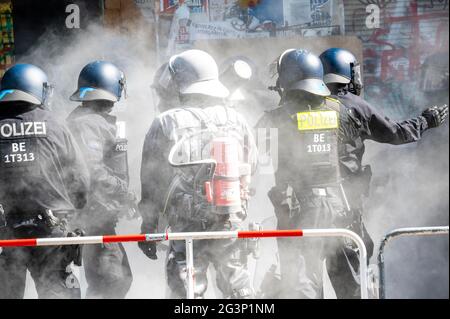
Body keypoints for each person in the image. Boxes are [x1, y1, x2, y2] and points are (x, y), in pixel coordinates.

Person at [319, 48, 449, 298]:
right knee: (353, 277)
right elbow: (395, 133)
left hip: (310, 208)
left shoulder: (308, 105)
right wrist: (427, 121)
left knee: (307, 281)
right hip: (343, 207)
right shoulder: (351, 105)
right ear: (348, 73)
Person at [139, 49, 258, 299]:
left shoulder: (166, 122)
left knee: (189, 292)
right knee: (239, 289)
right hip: (229, 219)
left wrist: (148, 226)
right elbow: (252, 165)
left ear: (177, 82)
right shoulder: (237, 118)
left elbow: (152, 181)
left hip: (187, 227)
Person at [0, 64, 89, 299]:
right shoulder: (55, 124)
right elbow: (80, 180)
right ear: (37, 89)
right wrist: (78, 203)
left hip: (5, 233)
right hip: (51, 231)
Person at [67, 61, 135, 299]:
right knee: (114, 280)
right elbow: (93, 170)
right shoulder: (88, 124)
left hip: (95, 215)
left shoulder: (90, 121)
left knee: (111, 281)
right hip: (92, 218)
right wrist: (124, 192)